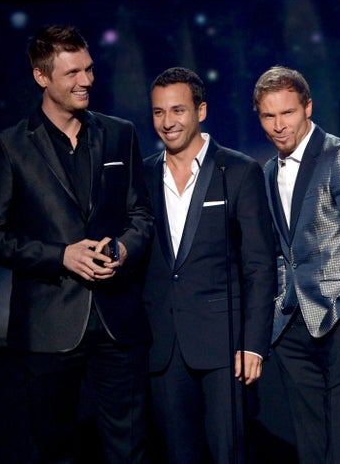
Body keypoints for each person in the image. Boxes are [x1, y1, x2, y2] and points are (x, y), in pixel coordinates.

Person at [0, 25, 154, 463]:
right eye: (73, 72)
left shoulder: (118, 134)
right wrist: (62, 256)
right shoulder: (11, 146)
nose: (87, 81)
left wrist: (125, 248)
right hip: (48, 327)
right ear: (42, 77)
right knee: (56, 451)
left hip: (117, 324)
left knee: (130, 450)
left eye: (89, 69)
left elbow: (142, 216)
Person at [254, 65, 340, 463]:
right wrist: (279, 311)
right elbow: (282, 249)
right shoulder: (266, 171)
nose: (279, 125)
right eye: (268, 115)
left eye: (288, 113)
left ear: (308, 107)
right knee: (311, 446)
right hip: (294, 324)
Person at [142, 67, 276, 464]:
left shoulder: (237, 170)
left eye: (178, 110)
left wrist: (254, 344)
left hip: (225, 344)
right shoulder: (143, 175)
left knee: (229, 453)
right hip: (164, 343)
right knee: (178, 455)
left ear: (200, 110)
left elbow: (260, 266)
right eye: (158, 112)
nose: (168, 122)